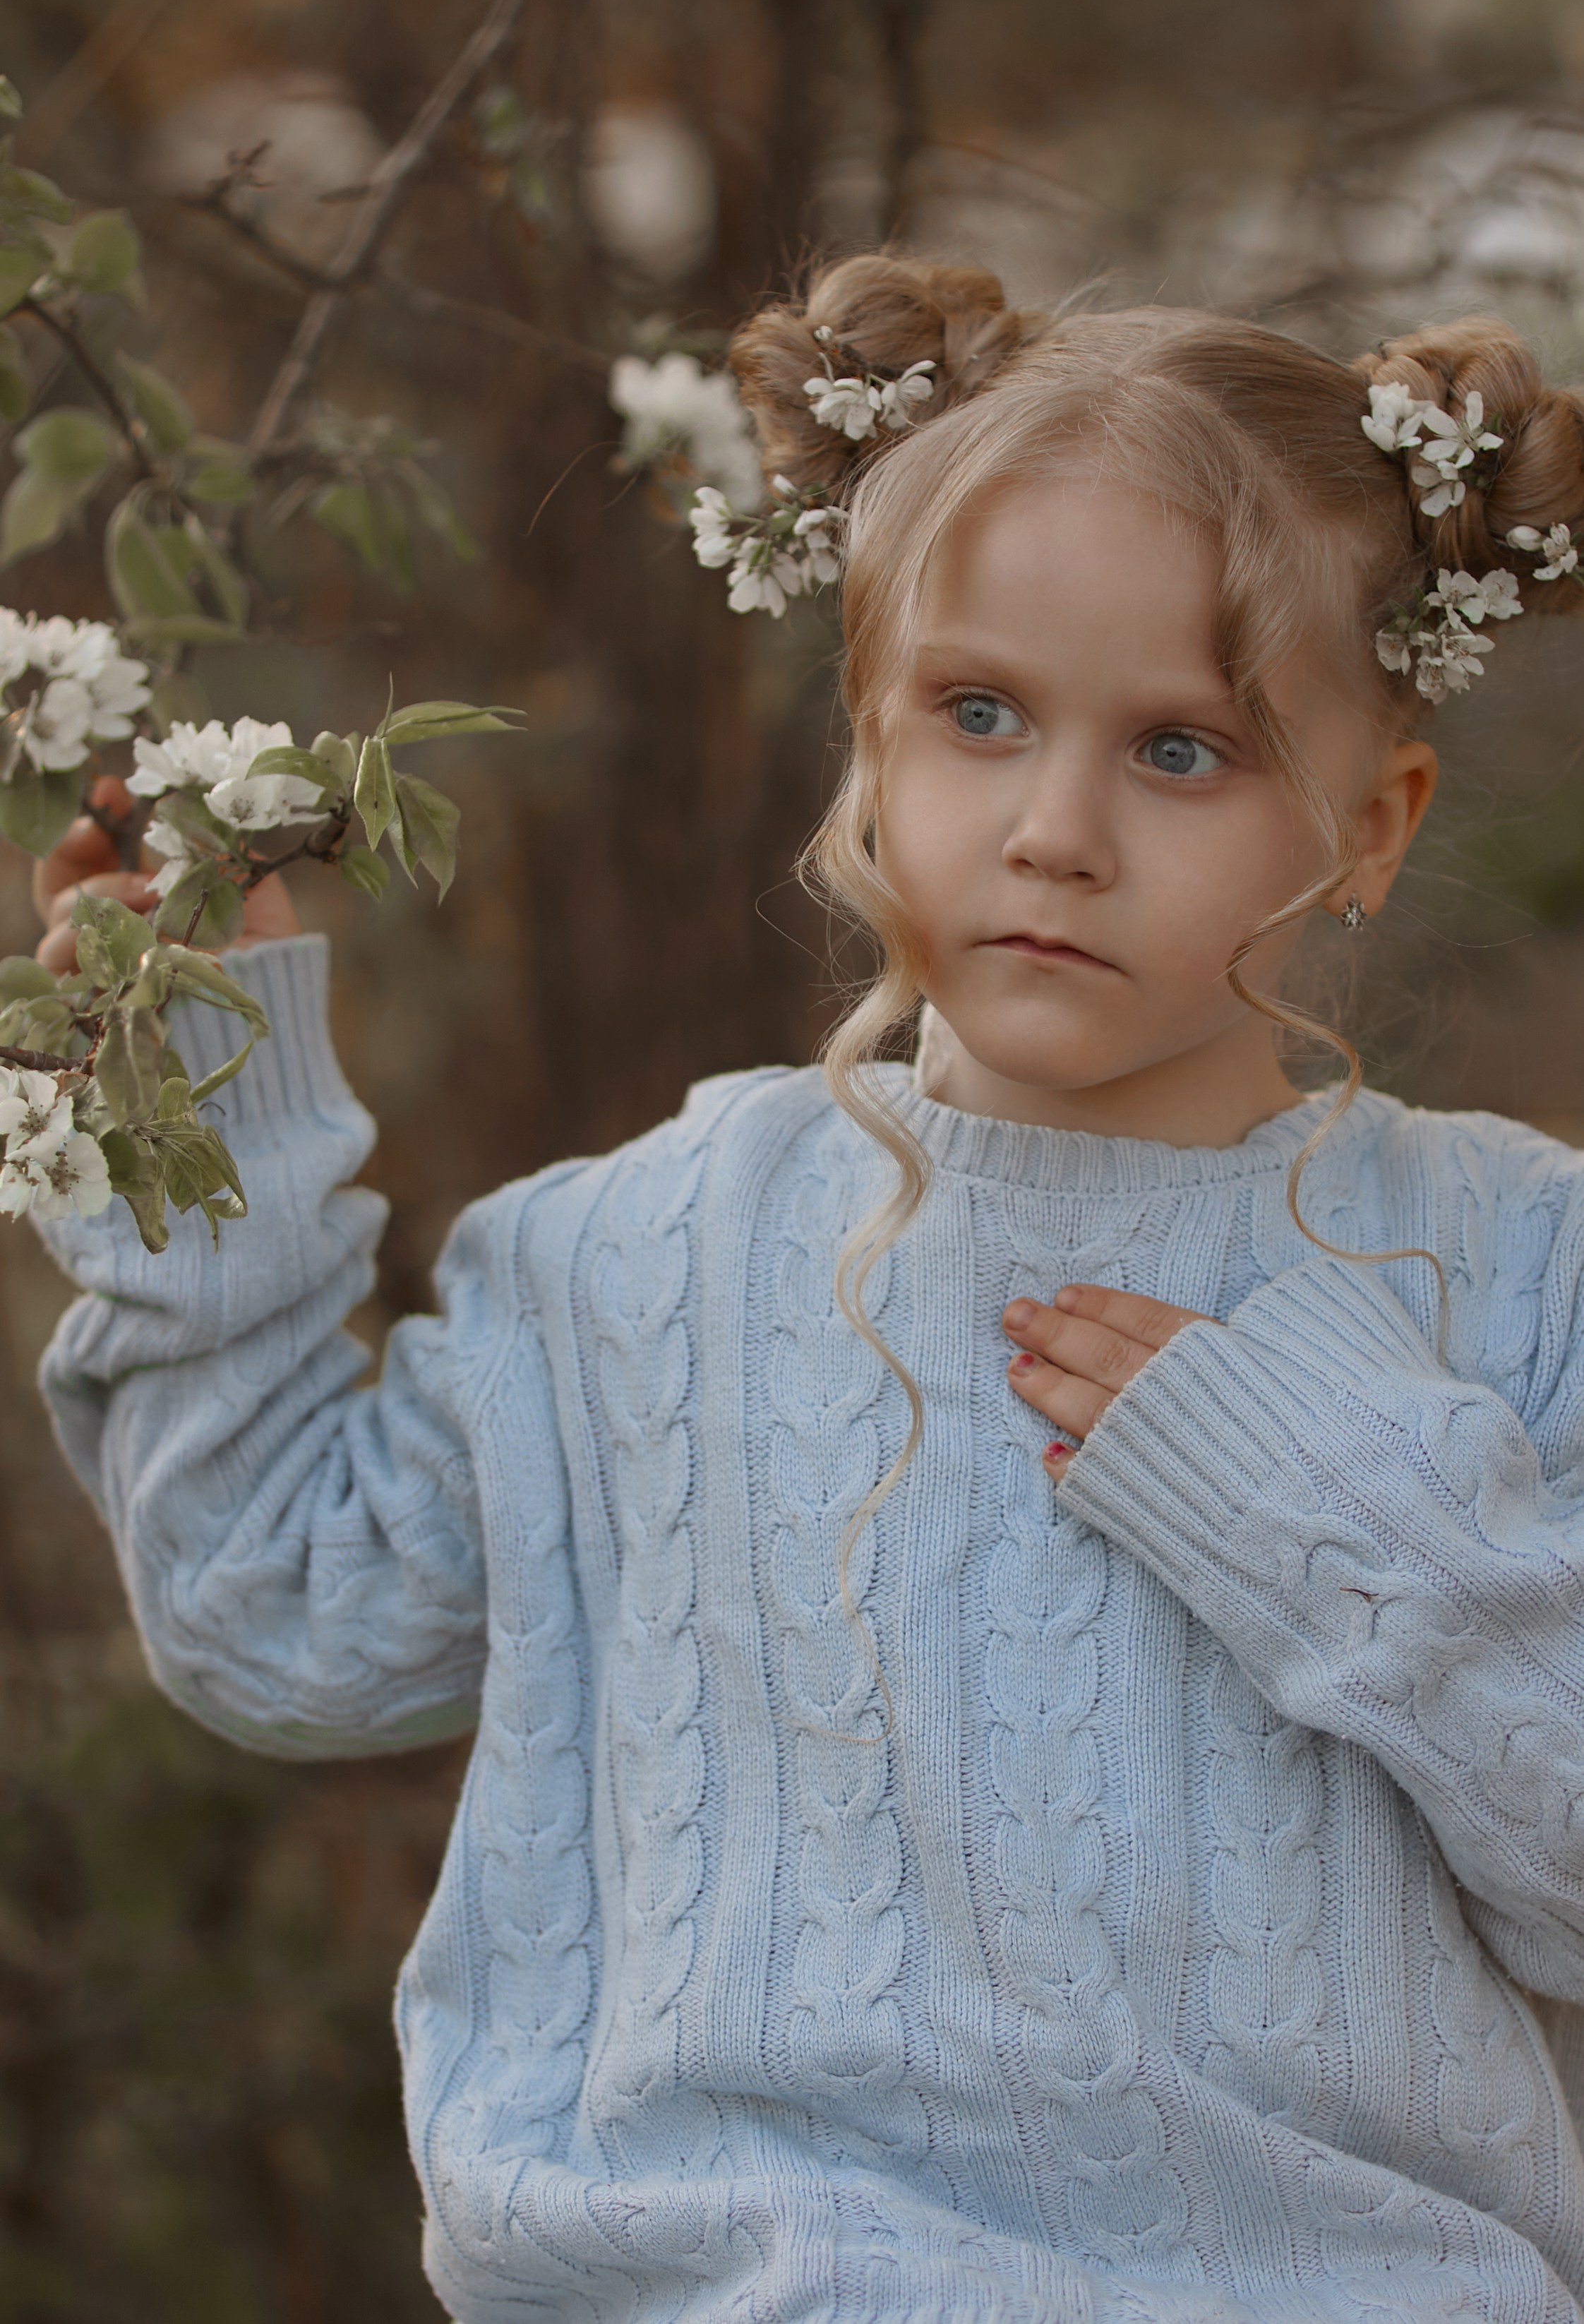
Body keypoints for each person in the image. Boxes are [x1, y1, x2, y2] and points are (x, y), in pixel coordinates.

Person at [25, 258, 1584, 2323]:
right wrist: (195, 1103)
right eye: (977, 716)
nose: (1052, 832)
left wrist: (1340, 1510)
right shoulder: (641, 1250)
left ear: (1371, 825)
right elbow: (280, 1617)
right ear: (866, 735)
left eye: (1183, 752)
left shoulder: (1504, 1263)